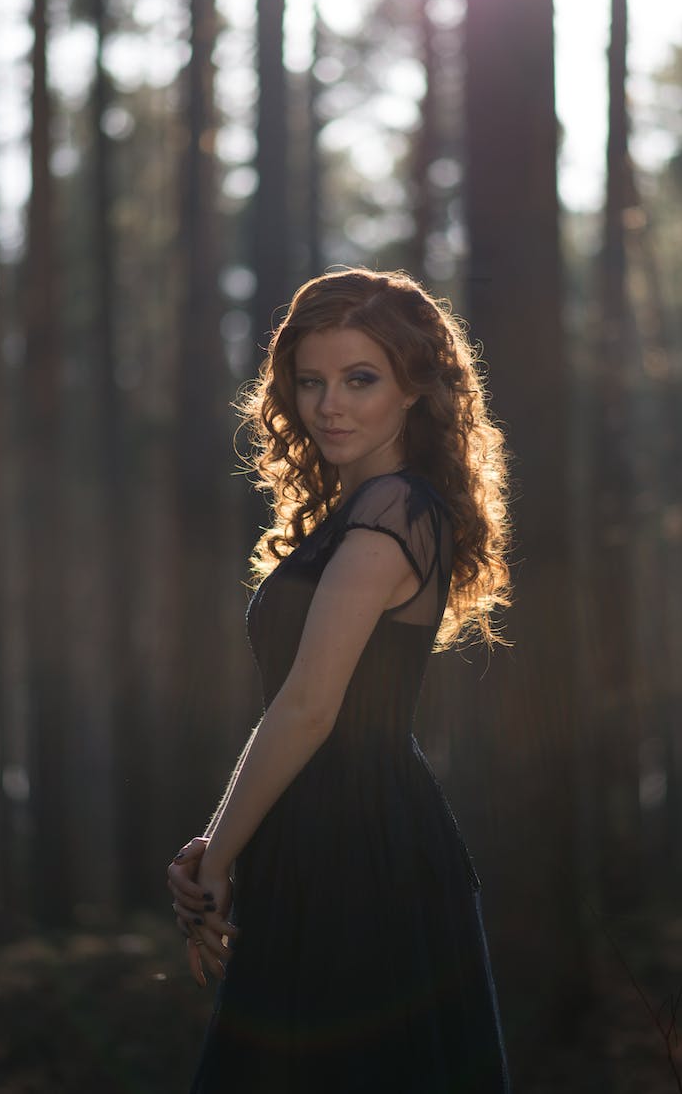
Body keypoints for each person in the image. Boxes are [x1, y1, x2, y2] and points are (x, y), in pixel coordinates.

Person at [166, 266, 513, 1093]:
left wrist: (218, 857)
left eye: (361, 379)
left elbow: (310, 708)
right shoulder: (357, 514)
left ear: (414, 389)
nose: (330, 405)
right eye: (311, 381)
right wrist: (228, 842)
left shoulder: (395, 508)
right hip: (320, 837)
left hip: (365, 853)